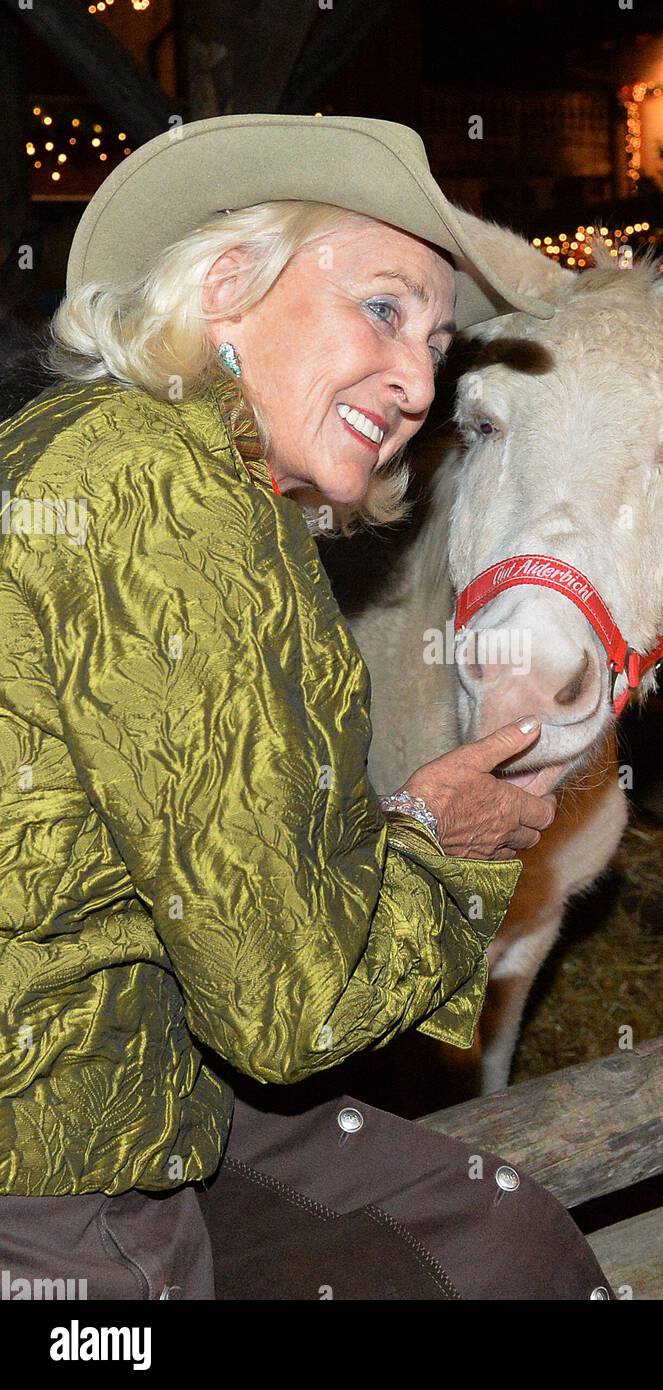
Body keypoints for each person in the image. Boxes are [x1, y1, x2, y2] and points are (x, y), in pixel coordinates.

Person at [0, 114, 614, 1299]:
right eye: (382, 310)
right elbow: (289, 1008)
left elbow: (228, 870)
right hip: (56, 1152)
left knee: (498, 1241)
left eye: (440, 342)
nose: (421, 379)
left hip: (145, 1053)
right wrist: (442, 841)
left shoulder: (139, 459)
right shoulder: (162, 505)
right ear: (226, 288)